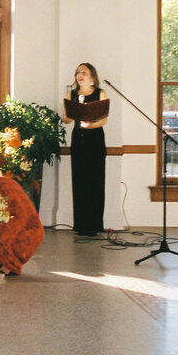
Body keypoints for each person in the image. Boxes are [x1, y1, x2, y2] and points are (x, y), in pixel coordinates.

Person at [62, 62, 108, 236]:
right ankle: (80, 225)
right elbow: (66, 119)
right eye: (77, 72)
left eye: (84, 72)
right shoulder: (72, 94)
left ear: (92, 76)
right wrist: (76, 112)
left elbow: (103, 120)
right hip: (78, 139)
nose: (80, 75)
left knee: (95, 181)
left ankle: (94, 225)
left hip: (95, 139)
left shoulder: (100, 93)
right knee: (79, 180)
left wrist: (90, 124)